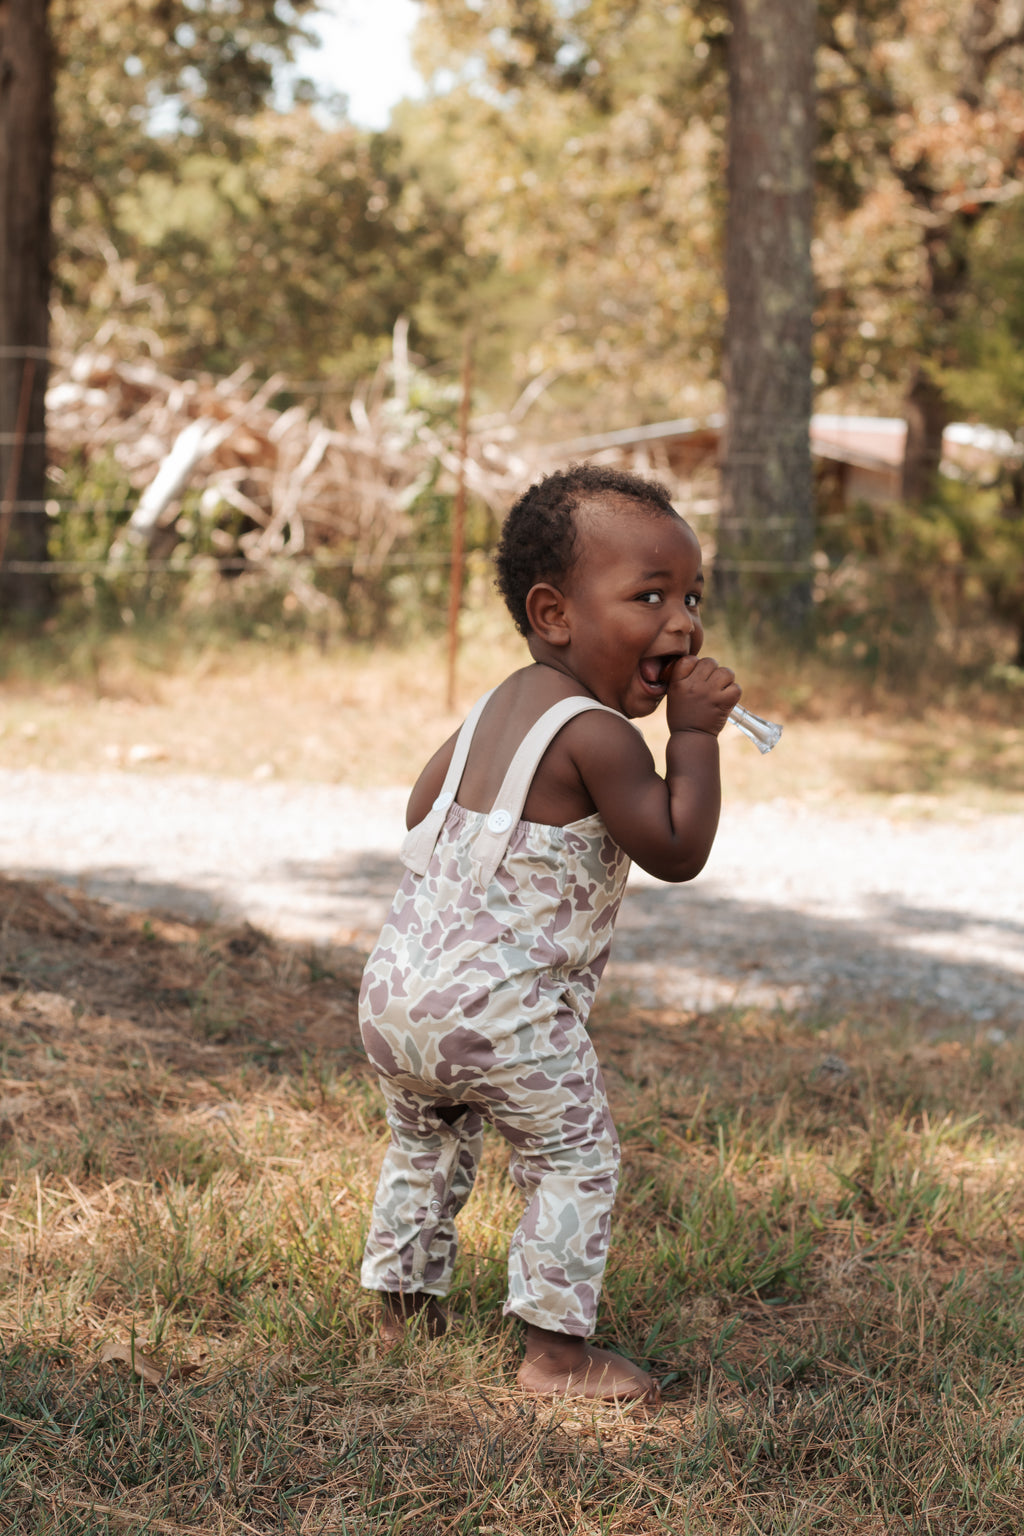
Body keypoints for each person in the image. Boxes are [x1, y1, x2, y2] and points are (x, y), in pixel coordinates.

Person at [358, 463, 741, 1402]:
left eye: (692, 596)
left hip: (399, 995)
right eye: (649, 596)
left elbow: (422, 808)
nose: (683, 624)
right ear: (554, 612)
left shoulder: (495, 707)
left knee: (426, 1142)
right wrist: (692, 736)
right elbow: (678, 847)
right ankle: (556, 1359)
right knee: (575, 1157)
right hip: (505, 1015)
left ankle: (403, 1304)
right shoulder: (600, 736)